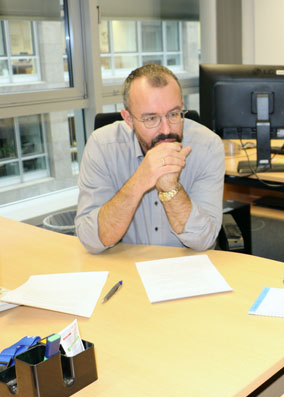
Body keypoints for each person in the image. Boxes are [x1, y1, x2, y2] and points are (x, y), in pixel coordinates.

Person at [75, 64, 224, 254]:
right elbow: (91, 240)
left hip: (187, 268)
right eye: (151, 119)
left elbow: (204, 240)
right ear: (128, 119)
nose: (166, 130)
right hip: (126, 268)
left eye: (173, 114)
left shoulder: (208, 146)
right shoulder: (102, 146)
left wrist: (171, 188)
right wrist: (140, 180)